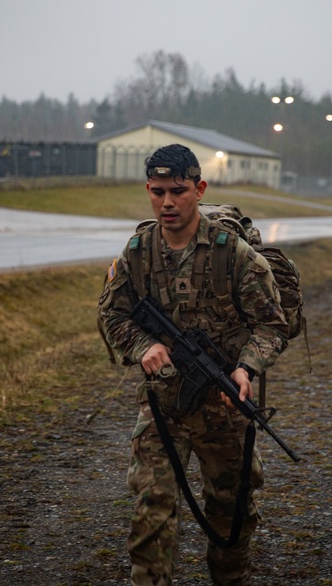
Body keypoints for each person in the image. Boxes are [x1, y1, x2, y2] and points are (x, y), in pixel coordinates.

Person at [98, 143, 289, 586]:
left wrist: (245, 368)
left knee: (232, 517)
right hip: (163, 406)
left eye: (178, 190)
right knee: (153, 510)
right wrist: (142, 345)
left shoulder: (233, 255)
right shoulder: (137, 252)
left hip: (224, 406)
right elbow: (112, 314)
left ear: (199, 189)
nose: (167, 202)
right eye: (157, 191)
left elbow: (273, 325)